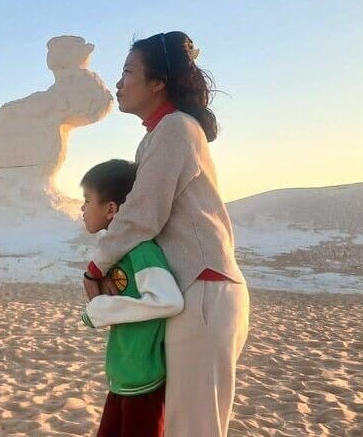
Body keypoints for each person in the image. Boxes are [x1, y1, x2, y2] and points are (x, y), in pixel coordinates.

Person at [83, 31, 250, 437]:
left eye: (128, 72)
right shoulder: (158, 136)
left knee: (195, 429)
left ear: (157, 82)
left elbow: (143, 214)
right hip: (196, 291)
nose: (119, 82)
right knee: (181, 424)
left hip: (205, 288)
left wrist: (95, 267)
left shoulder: (176, 128)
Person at [79, 159, 184, 437]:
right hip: (122, 375)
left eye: (87, 200)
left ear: (111, 209)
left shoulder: (141, 250)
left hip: (144, 380)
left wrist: (102, 309)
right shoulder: (115, 254)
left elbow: (169, 301)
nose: (82, 209)